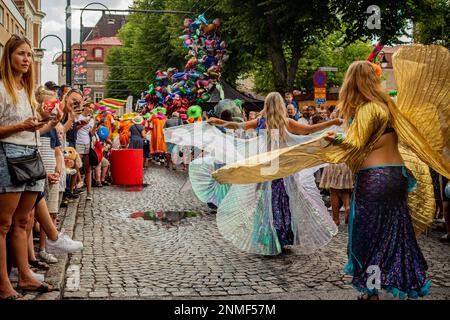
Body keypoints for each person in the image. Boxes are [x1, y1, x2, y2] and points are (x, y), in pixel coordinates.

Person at [213, 47, 450, 299]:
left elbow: (355, 146)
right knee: (394, 229)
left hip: (375, 178)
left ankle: (370, 289)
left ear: (354, 82)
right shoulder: (388, 106)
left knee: (365, 232)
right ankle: (406, 278)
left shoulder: (369, 109)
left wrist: (333, 141)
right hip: (396, 176)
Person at [187, 92, 342, 256]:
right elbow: (311, 130)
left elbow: (239, 126)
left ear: (266, 105)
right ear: (281, 105)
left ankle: (268, 236)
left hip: (266, 167)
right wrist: (333, 122)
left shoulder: (261, 122)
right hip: (282, 169)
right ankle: (282, 236)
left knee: (264, 200)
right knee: (283, 199)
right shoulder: (286, 123)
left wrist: (219, 122)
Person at [0, 35, 54, 299]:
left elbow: (34, 130)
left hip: (31, 155)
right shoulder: (1, 88)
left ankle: (24, 276)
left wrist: (51, 121)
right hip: (8, 155)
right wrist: (21, 126)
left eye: (29, 55)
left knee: (23, 220)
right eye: (21, 54)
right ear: (9, 56)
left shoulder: (27, 90)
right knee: (3, 223)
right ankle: (3, 284)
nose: (26, 59)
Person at [75, 102, 95, 201]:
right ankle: (77, 185)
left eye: (92, 108)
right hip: (78, 143)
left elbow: (90, 133)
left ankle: (89, 193)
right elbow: (75, 129)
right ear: (85, 107)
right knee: (76, 166)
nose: (91, 110)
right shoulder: (77, 117)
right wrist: (83, 124)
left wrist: (95, 128)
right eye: (90, 107)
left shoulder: (91, 119)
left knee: (88, 169)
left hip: (87, 144)